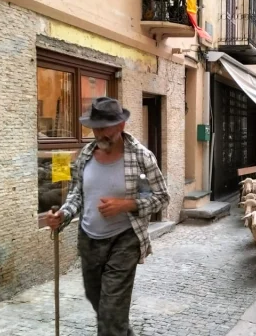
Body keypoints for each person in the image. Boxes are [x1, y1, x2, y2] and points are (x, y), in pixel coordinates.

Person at [46, 97, 170, 336]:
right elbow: (76, 194)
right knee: (98, 301)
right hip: (89, 240)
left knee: (111, 311)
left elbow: (162, 197)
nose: (98, 133)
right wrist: (63, 214)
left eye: (104, 127)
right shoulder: (85, 155)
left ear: (121, 126)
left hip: (124, 241)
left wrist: (127, 204)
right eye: (95, 127)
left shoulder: (142, 157)